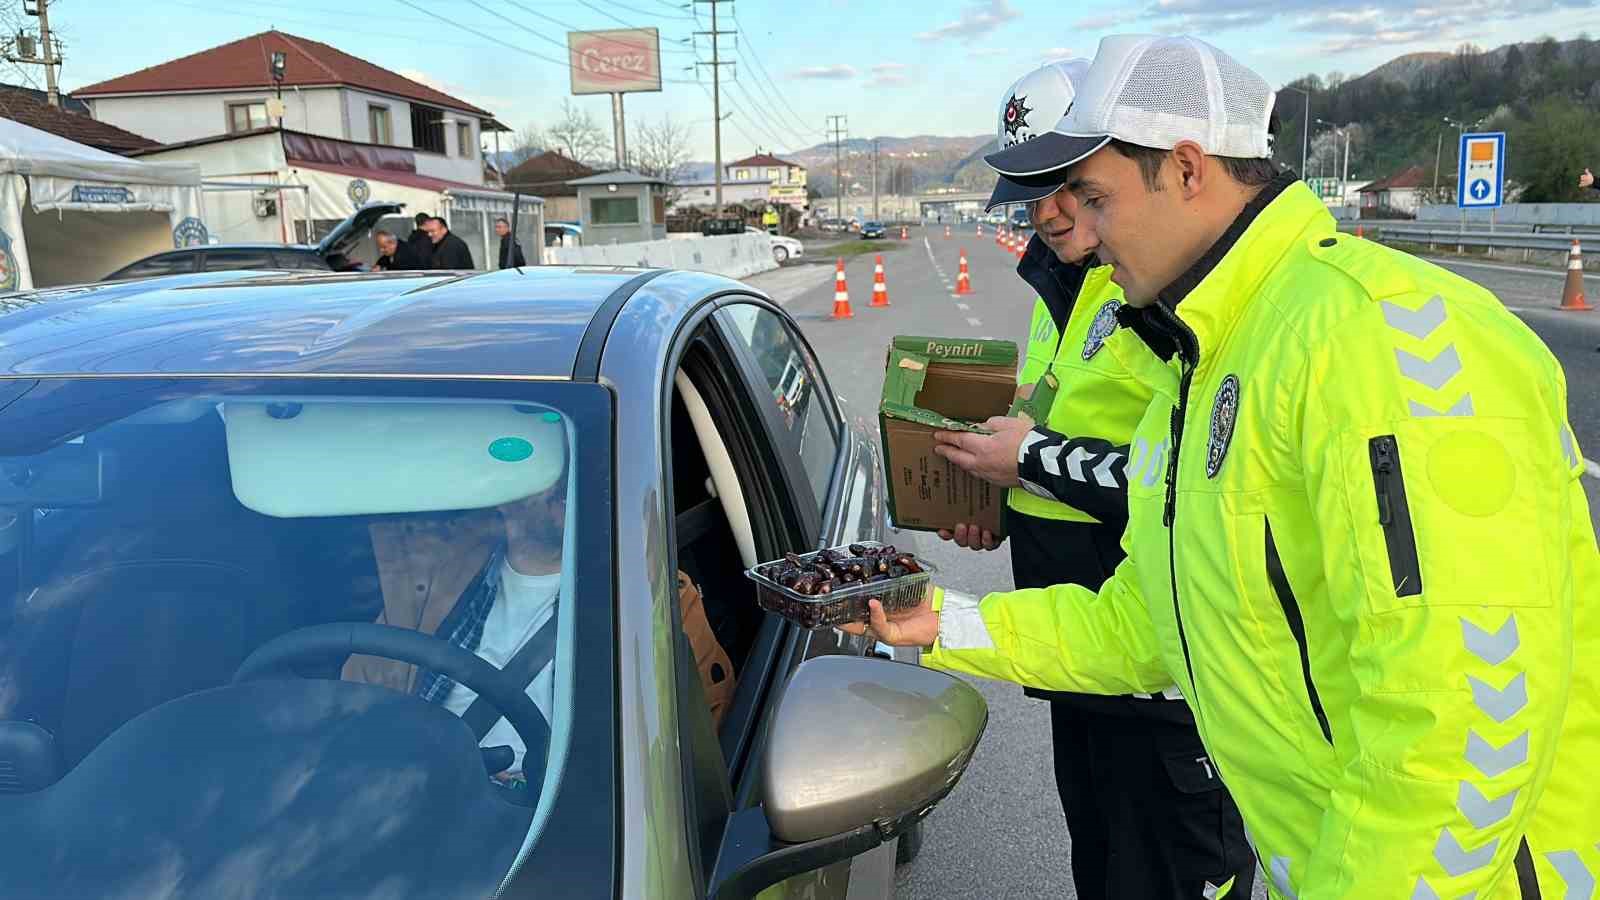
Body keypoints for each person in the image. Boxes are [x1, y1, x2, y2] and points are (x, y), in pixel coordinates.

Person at [857, 34, 1599, 899]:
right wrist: (940, 621)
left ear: (1185, 167)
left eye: (1095, 198)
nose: (1084, 236)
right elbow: (1149, 624)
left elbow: (1461, 736)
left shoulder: (1386, 340)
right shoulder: (1202, 362)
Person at [936, 60, 1254, 900]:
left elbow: (1193, 483)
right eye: (1029, 189)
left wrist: (1028, 460)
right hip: (1081, 647)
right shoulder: (1074, 283)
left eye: (1071, 185)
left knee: (1168, 868)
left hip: (1159, 672)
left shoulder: (1159, 291)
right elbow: (1067, 433)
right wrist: (997, 496)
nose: (1048, 210)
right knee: (1106, 868)